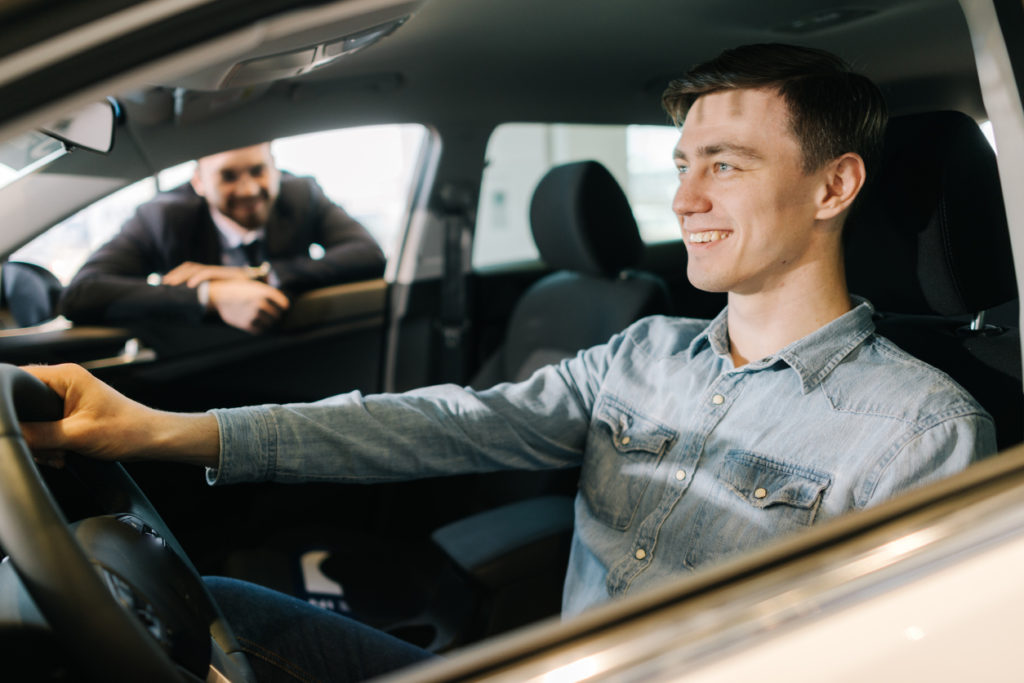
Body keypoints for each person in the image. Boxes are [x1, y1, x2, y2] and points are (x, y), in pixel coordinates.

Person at [23, 44, 996, 682]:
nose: (685, 196)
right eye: (682, 160)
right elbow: (441, 420)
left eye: (725, 163)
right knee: (219, 609)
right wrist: (155, 429)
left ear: (834, 184)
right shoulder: (642, 350)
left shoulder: (921, 429)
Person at [59, 143, 386, 334]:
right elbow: (82, 294)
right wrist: (212, 296)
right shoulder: (162, 218)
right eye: (228, 176)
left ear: (275, 169)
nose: (248, 190)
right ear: (199, 182)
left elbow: (368, 255)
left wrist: (257, 275)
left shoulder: (303, 195)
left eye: (258, 171)